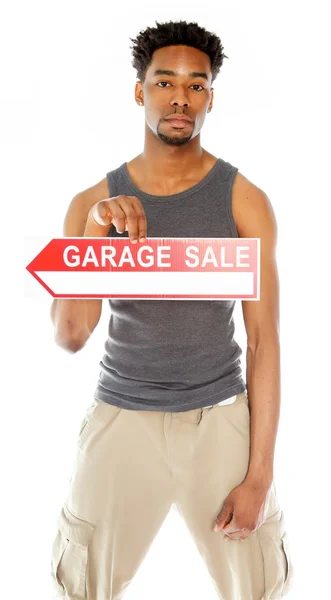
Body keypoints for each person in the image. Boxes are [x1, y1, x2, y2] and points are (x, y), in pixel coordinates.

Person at [50, 19, 294, 600]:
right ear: (141, 91)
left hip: (218, 418)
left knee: (257, 586)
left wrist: (258, 473)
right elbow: (70, 334)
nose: (180, 97)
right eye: (164, 82)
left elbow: (264, 340)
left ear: (211, 96)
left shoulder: (243, 200)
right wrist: (93, 232)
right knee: (83, 585)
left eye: (196, 84)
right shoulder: (90, 205)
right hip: (121, 415)